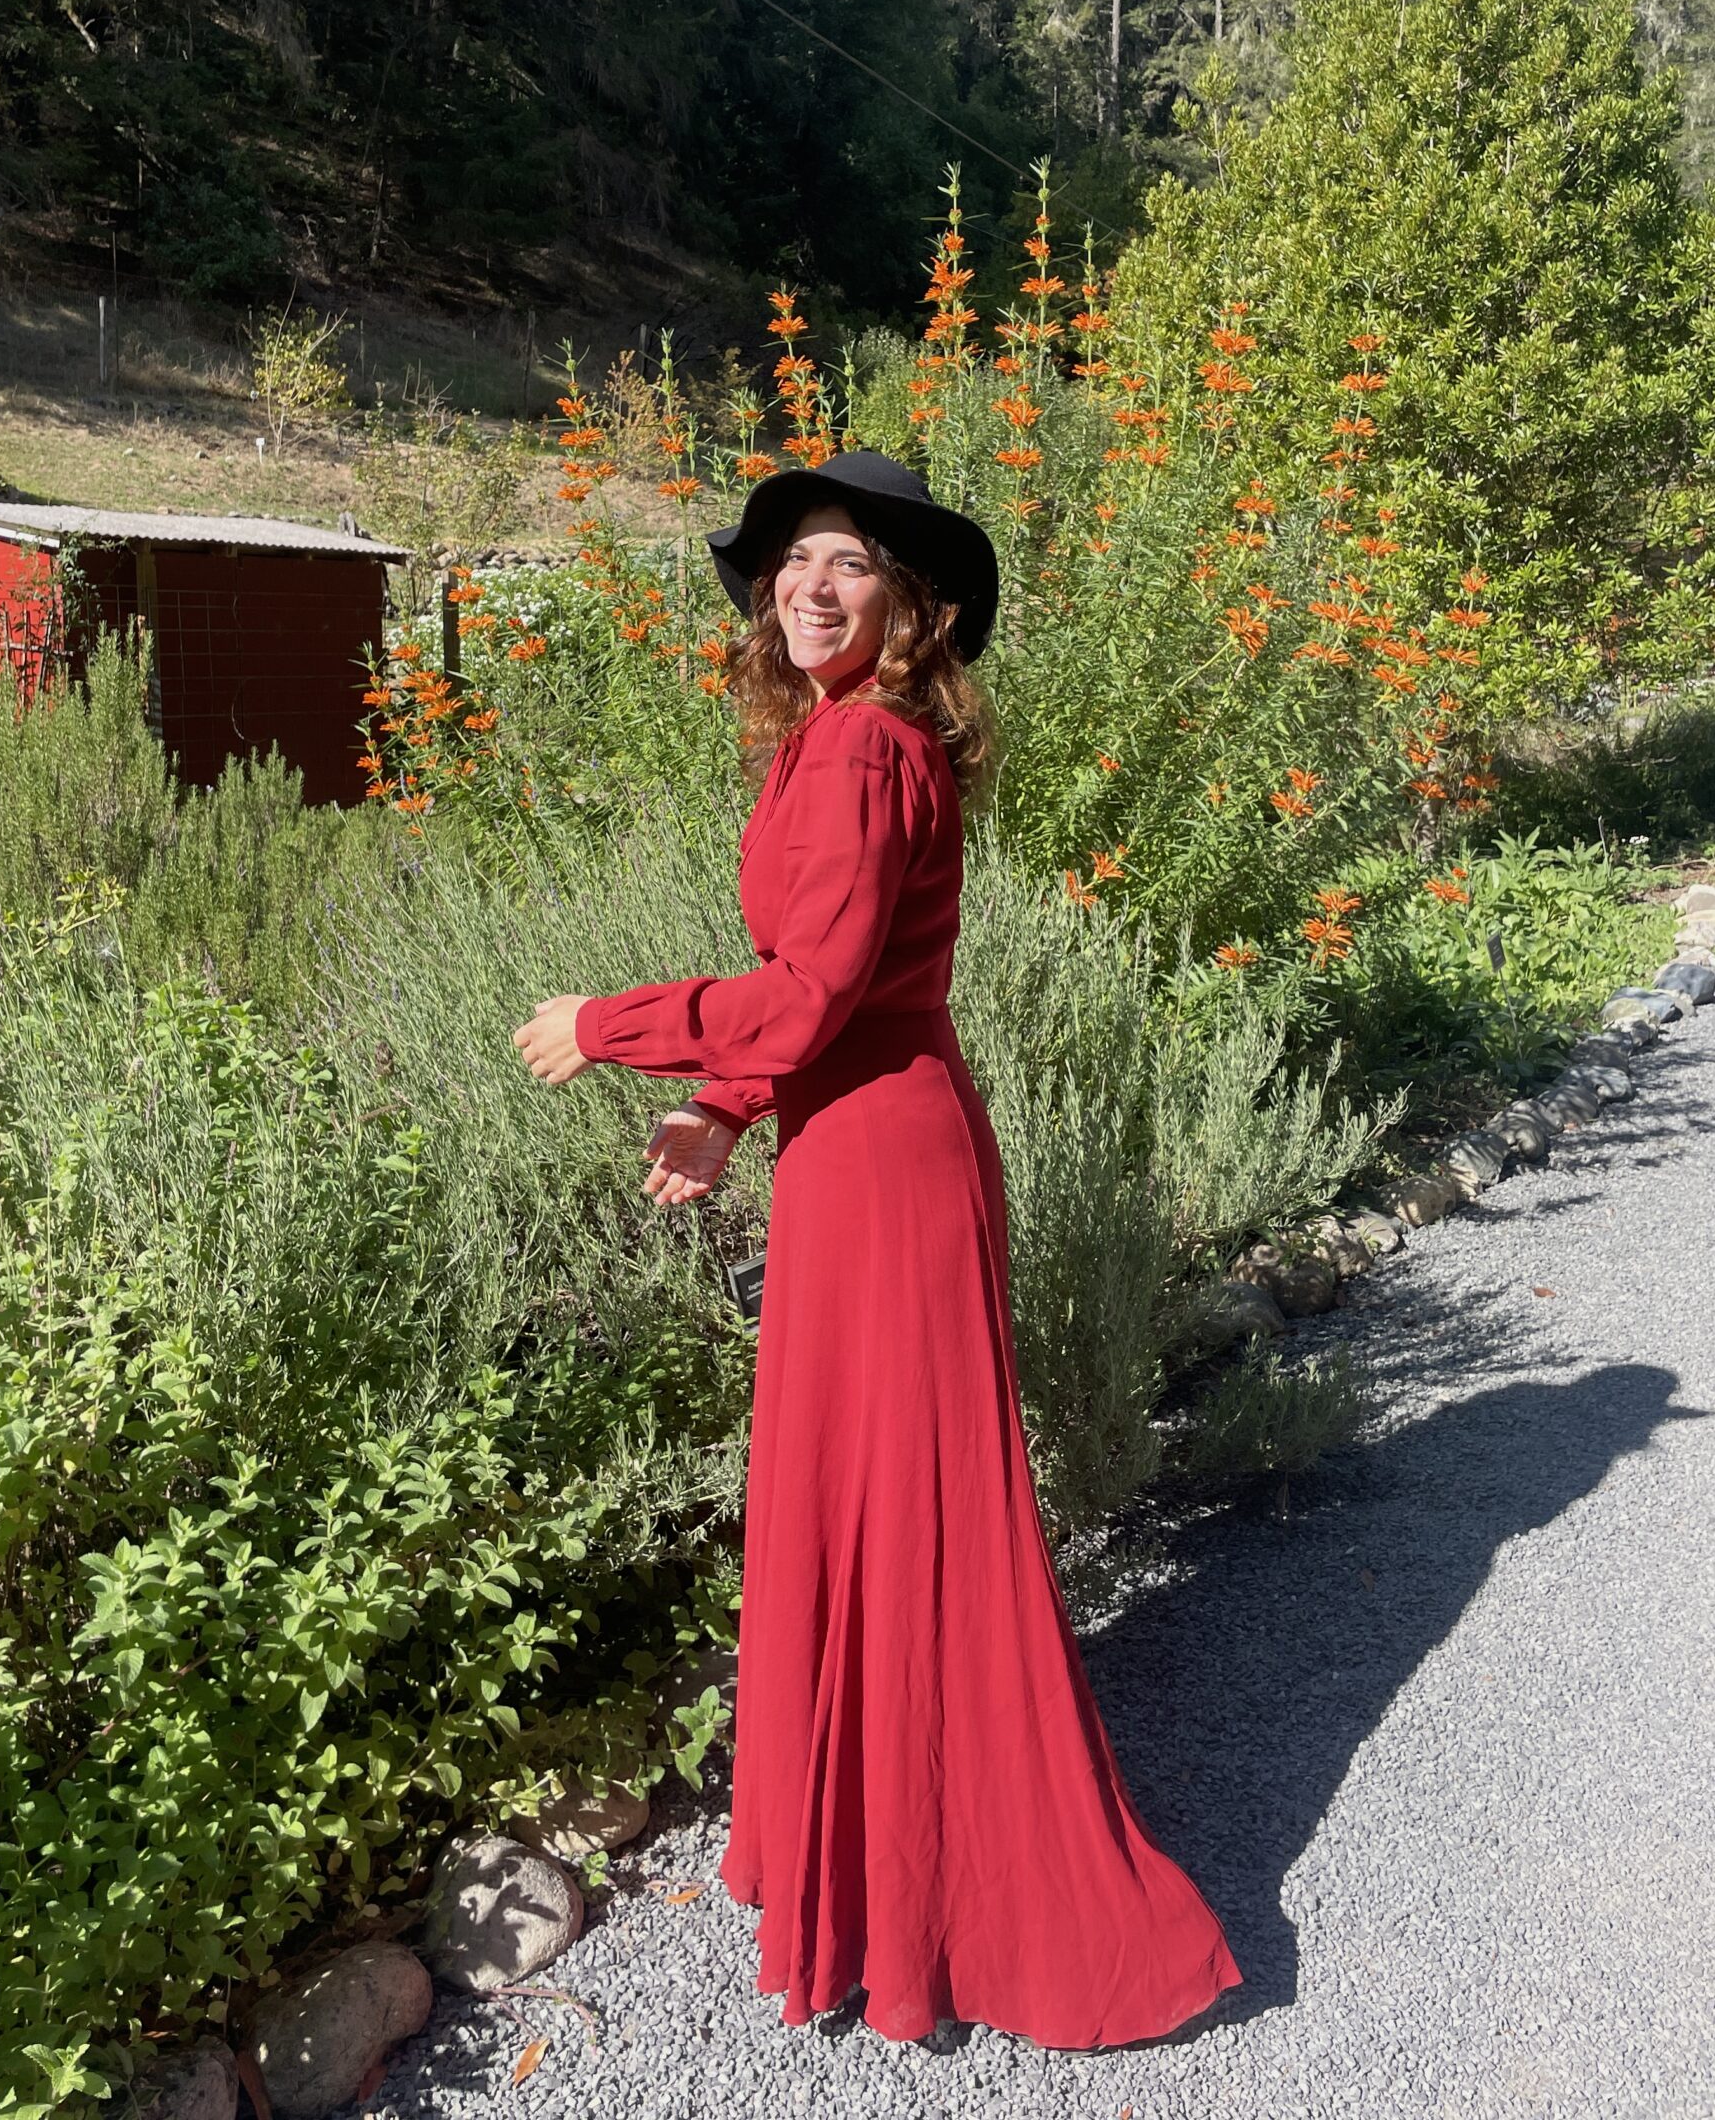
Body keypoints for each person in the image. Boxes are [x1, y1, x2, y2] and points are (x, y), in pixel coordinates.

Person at [513, 450, 1239, 2051]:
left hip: (884, 1173)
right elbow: (829, 991)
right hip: (865, 1149)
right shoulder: (844, 746)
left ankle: (956, 1910)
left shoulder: (857, 751)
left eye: (847, 564)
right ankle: (886, 1880)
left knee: (903, 1526)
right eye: (794, 564)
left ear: (913, 608)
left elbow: (808, 996)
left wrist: (612, 1027)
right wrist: (722, 1108)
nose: (809, 585)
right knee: (874, 1515)